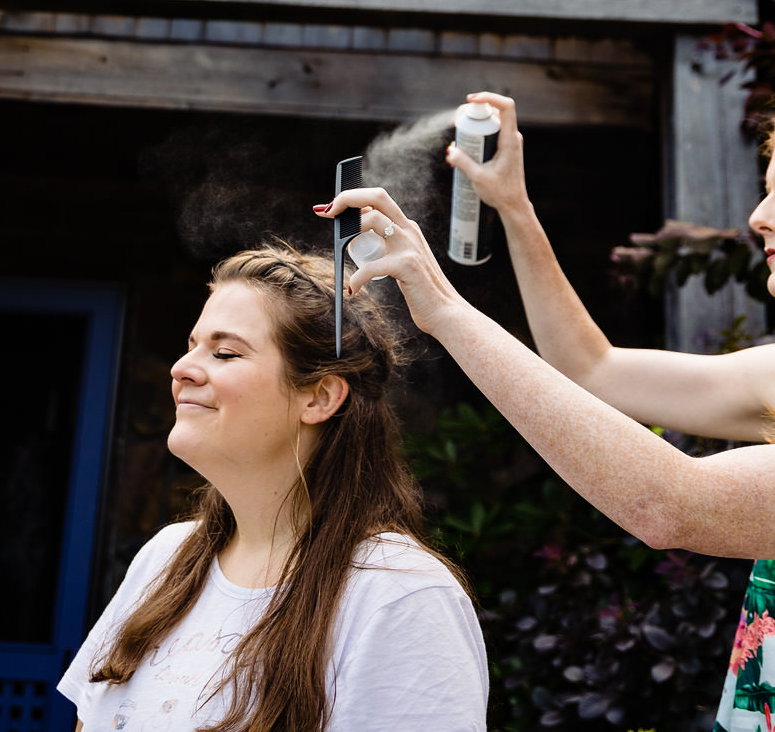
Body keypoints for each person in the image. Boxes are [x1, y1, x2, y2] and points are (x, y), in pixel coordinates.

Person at [319, 88, 775, 732]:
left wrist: (446, 311)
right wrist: (515, 206)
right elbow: (592, 371)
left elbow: (674, 504)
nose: (760, 216)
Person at [58, 245, 487, 732]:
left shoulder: (400, 596)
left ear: (321, 396)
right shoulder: (164, 559)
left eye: (225, 353)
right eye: (191, 344)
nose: (181, 368)